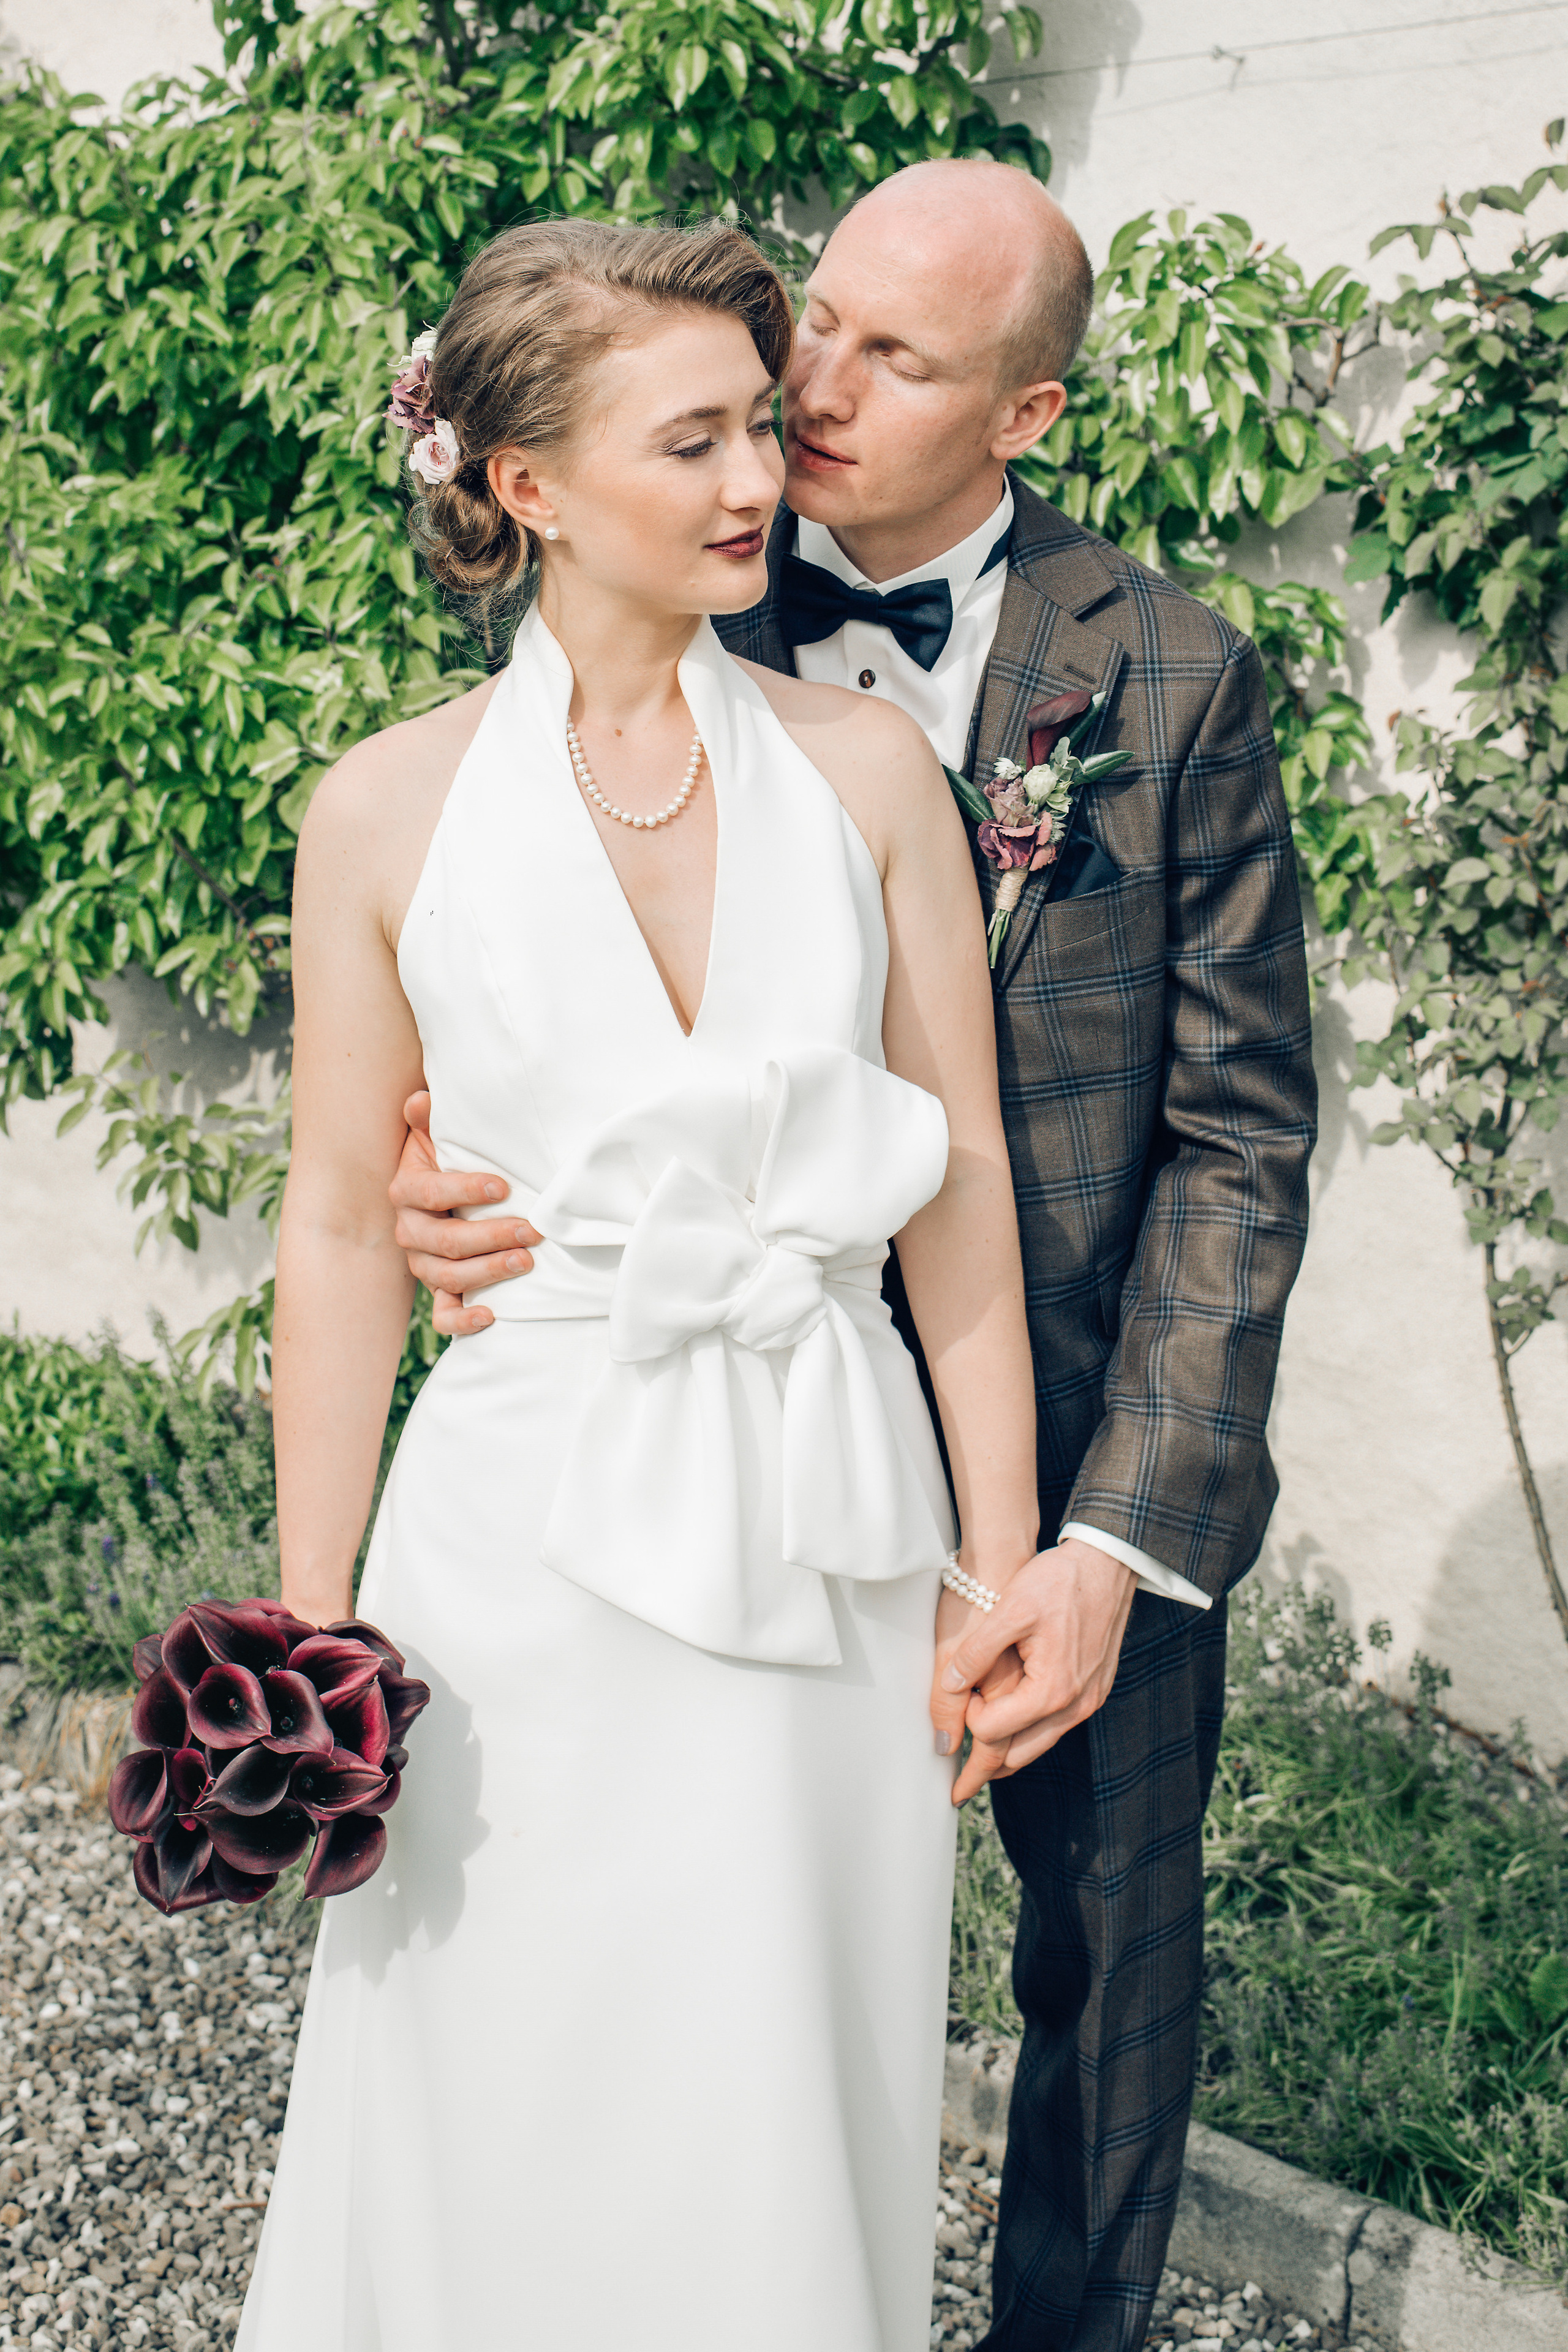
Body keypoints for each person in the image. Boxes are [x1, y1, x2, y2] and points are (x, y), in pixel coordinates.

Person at [391, 164, 1317, 2352]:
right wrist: (453, 1171)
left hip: (1061, 1444)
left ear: (1029, 416)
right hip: (697, 1443)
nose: (809, 383)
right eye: (820, 317)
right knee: (682, 1960)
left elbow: (1238, 1144)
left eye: (896, 358)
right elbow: (480, 940)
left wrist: (1102, 1541)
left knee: (1109, 1982)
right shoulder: (664, 566)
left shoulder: (1175, 681)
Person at [239, 216, 1049, 2352]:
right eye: (689, 440)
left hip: (827, 1525)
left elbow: (958, 1191)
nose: (755, 485)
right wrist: (311, 1631)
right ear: (525, 485)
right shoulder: (382, 813)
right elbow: (337, 1222)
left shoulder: (872, 776)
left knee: (789, 2081)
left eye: (756, 432)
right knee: (499, 2073)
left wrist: (991, 1562)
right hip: (515, 1540)